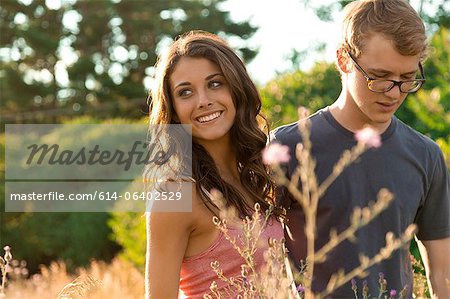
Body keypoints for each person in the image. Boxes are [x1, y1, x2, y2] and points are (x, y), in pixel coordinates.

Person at [271, 0, 450, 297]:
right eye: (379, 77)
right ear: (343, 60)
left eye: (407, 78)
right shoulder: (287, 146)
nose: (394, 93)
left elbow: (443, 273)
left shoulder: (426, 155)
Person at [145, 31, 284, 298]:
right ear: (173, 108)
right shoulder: (175, 194)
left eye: (215, 83)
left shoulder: (256, 178)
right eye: (185, 92)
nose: (203, 101)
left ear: (236, 88)